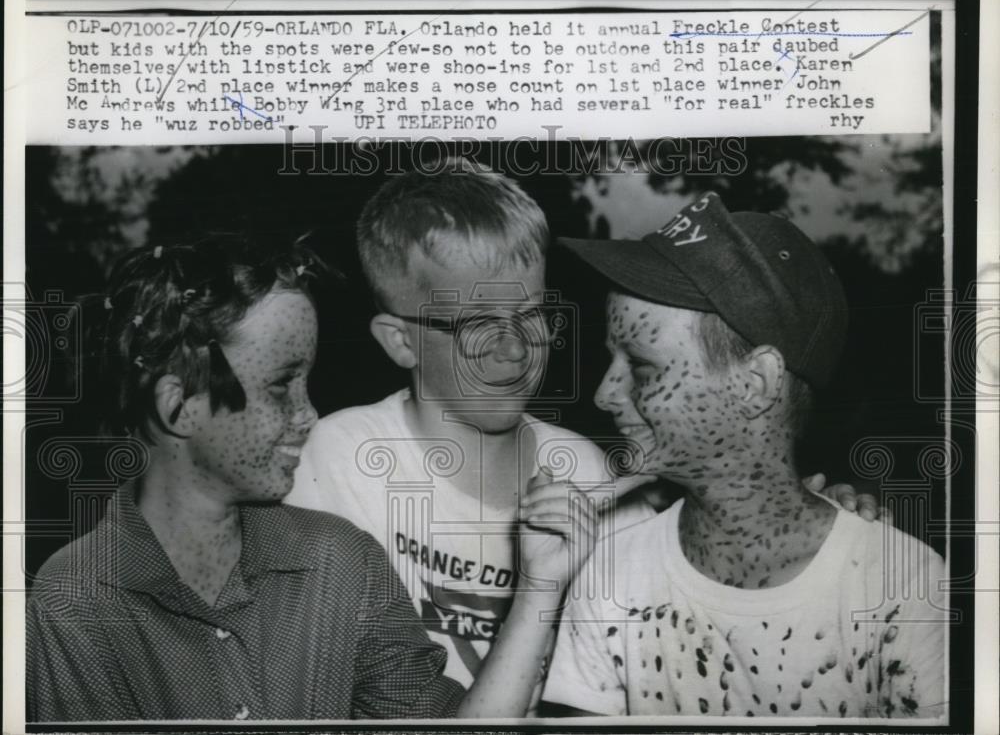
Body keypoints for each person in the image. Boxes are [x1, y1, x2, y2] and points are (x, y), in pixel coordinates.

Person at [285, 162, 879, 716]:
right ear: (400, 341)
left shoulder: (592, 474)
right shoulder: (336, 463)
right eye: (475, 323)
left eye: (532, 313)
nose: (515, 348)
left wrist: (803, 543)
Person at [26, 235, 471, 721]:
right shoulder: (76, 603)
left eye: (308, 383)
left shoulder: (342, 561)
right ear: (180, 406)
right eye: (281, 385)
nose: (309, 414)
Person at [542, 192, 947, 719]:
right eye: (610, 360)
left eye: (641, 370)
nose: (604, 393)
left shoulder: (905, 589)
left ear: (755, 383)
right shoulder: (613, 572)